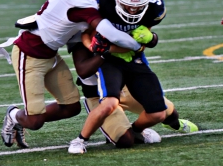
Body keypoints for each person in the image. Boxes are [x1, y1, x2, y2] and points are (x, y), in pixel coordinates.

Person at [0, 0, 144, 148]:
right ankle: (14, 115)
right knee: (35, 121)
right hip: (29, 54)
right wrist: (135, 45)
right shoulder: (80, 1)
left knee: (71, 107)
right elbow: (110, 33)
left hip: (50, 54)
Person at [68, 0, 198, 154]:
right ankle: (80, 140)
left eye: (138, 6)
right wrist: (97, 49)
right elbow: (85, 55)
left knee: (162, 111)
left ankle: (145, 129)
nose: (133, 10)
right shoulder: (102, 3)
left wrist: (150, 38)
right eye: (128, 5)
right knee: (118, 124)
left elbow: (141, 45)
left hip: (130, 63)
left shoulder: (154, 7)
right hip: (104, 75)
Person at [67, 34, 198, 151]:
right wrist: (104, 51)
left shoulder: (118, 27)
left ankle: (164, 125)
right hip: (99, 96)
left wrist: (148, 38)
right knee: (125, 140)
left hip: (126, 88)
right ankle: (93, 136)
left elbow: (143, 43)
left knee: (165, 111)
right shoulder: (82, 37)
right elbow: (83, 71)